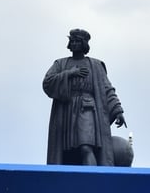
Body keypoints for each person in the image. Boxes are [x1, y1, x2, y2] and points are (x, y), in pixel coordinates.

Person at [43, 29, 126, 165]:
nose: (74, 44)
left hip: (87, 109)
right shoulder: (60, 64)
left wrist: (118, 110)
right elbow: (47, 82)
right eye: (72, 41)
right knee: (67, 152)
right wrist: (69, 73)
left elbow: (107, 89)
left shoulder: (96, 65)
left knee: (86, 147)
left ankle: (92, 179)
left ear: (84, 44)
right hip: (66, 111)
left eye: (77, 41)